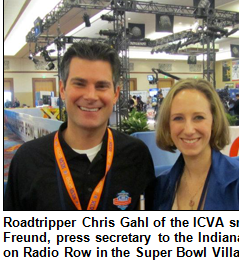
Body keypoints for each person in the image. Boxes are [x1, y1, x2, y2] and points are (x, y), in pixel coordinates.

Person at [4, 42, 155, 211]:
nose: (90, 96)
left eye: (101, 86)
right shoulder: (27, 159)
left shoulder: (136, 156)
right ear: (62, 89)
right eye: (80, 84)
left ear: (115, 94)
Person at [154, 78, 239, 210]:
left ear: (214, 121)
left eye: (198, 117)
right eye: (178, 118)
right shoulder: (161, 187)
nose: (189, 130)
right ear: (168, 125)